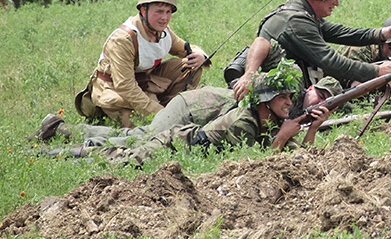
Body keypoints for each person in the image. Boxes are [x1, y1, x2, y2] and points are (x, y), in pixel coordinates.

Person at [43, 63, 336, 165]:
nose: (289, 103)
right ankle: (60, 149)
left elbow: (297, 158)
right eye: (282, 97)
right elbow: (260, 166)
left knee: (129, 143)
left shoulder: (270, 119)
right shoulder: (244, 122)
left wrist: (310, 130)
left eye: (289, 97)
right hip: (178, 142)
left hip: (187, 138)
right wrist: (281, 138)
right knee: (124, 154)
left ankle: (65, 137)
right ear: (263, 102)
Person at [227, 0, 391, 100]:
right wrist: (377, 71)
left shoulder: (301, 12)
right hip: (277, 95)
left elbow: (341, 33)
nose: (336, 3)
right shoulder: (297, 22)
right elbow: (332, 62)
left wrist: (384, 33)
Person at [77, 0, 208, 128]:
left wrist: (200, 55)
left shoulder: (163, 32)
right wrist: (160, 113)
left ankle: (175, 110)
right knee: (147, 129)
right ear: (143, 10)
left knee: (192, 66)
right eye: (158, 12)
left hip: (144, 82)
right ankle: (169, 115)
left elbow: (185, 49)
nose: (164, 18)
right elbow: (125, 86)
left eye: (168, 12)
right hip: (115, 89)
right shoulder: (123, 39)